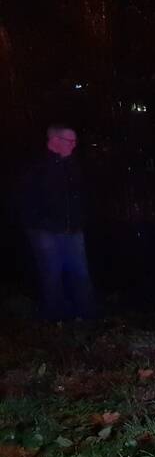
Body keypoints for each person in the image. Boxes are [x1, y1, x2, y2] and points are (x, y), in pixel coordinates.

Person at [18, 124, 96, 320]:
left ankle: (86, 315)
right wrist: (39, 223)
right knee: (51, 273)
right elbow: (26, 198)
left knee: (80, 272)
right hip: (45, 229)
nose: (74, 145)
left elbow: (81, 195)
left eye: (75, 141)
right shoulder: (37, 166)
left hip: (72, 228)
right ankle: (55, 317)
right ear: (55, 141)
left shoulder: (73, 165)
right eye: (70, 141)